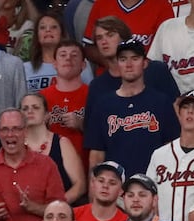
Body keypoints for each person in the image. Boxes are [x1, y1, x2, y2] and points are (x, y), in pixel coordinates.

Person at [85, 40, 180, 178]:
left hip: (153, 185)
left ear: (145, 63)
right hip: (116, 189)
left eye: (135, 58)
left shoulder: (161, 102)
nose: (129, 65)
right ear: (118, 64)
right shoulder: (103, 105)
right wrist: (94, 193)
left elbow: (171, 148)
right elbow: (96, 155)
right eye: (123, 59)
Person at [146, 89, 194, 221]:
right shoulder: (159, 155)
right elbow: (148, 198)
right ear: (179, 113)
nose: (189, 112)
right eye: (185, 107)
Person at [20, 91, 86, 206]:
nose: (30, 111)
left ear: (47, 115)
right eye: (25, 109)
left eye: (35, 107)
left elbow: (80, 186)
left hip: (59, 213)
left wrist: (54, 207)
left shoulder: (62, 143)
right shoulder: (15, 145)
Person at [40, 39, 89, 172]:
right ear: (54, 64)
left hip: (84, 169)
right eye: (62, 55)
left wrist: (82, 124)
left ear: (83, 65)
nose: (68, 58)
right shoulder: (41, 98)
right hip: (47, 170)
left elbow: (105, 134)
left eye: (74, 55)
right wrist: (40, 124)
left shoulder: (93, 95)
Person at [82, 0, 173, 66]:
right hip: (108, 78)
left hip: (146, 79)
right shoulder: (102, 3)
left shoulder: (162, 6)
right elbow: (89, 47)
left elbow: (167, 51)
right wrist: (116, 66)